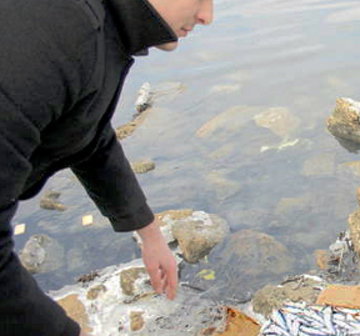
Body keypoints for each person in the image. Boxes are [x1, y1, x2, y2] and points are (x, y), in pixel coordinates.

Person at [0, 0, 213, 334]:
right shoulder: (53, 33)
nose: (207, 16)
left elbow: (87, 136)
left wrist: (149, 233)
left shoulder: (98, 27)